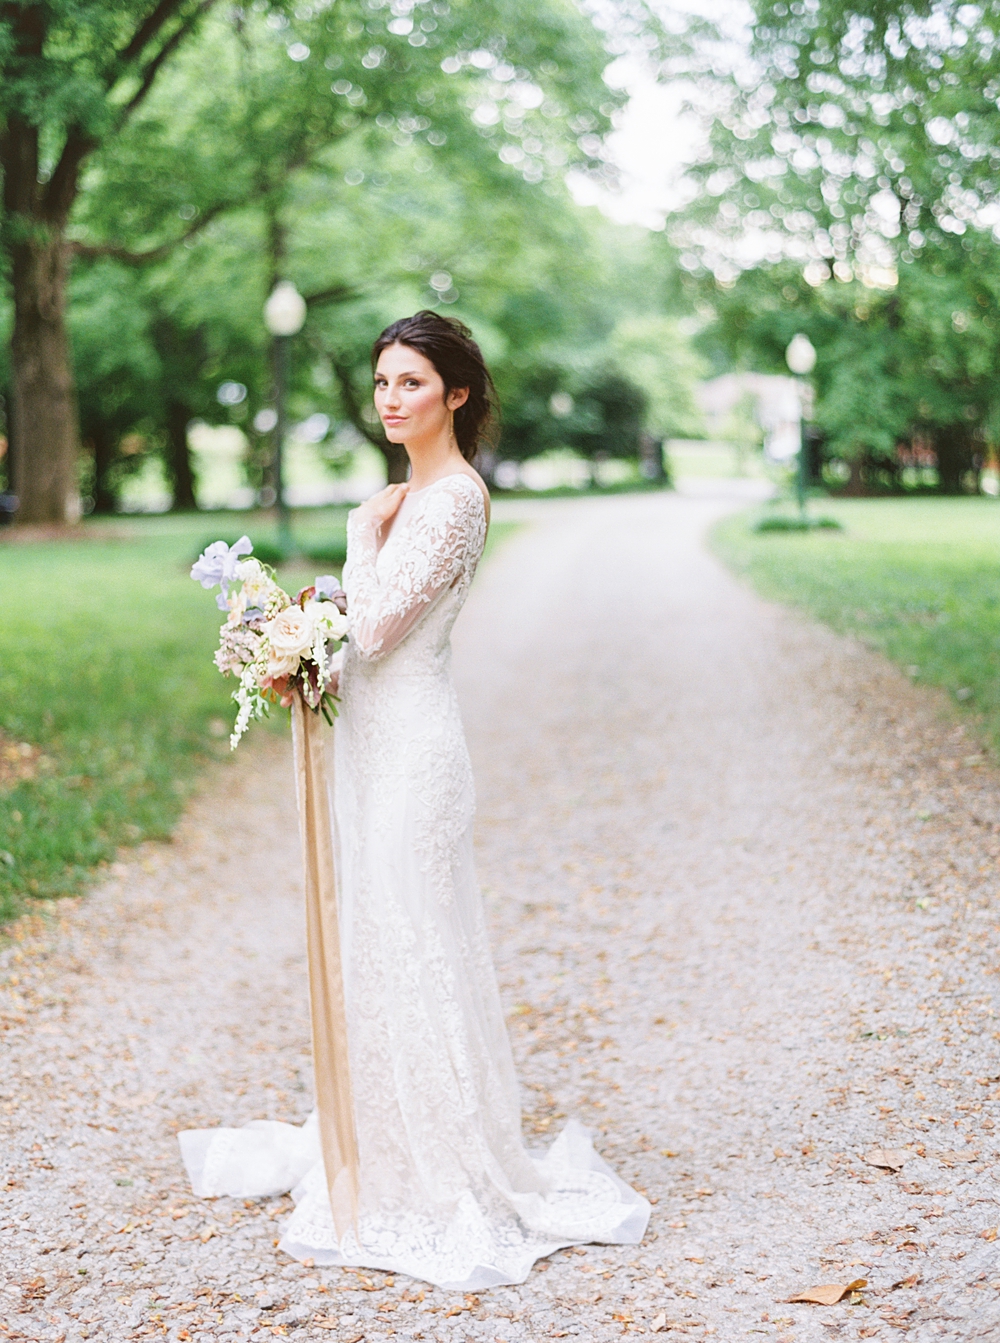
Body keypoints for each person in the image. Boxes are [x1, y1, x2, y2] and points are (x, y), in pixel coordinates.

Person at [179, 311, 649, 1289]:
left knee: (417, 940)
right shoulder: (409, 496)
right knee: (382, 940)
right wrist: (294, 661)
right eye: (383, 382)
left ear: (458, 393)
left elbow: (380, 631)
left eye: (412, 383)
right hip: (374, 744)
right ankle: (384, 1127)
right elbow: (353, 651)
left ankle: (442, 1161)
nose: (392, 399)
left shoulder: (447, 502)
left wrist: (351, 549)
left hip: (419, 755)